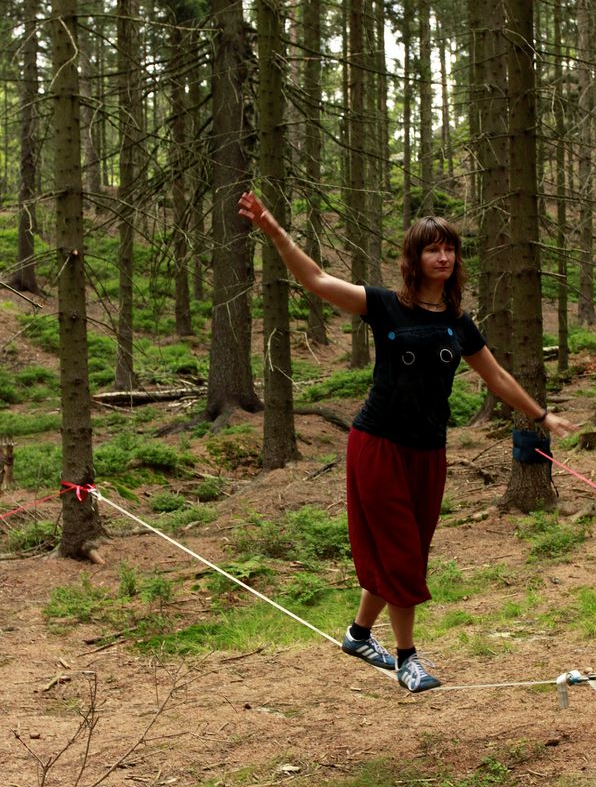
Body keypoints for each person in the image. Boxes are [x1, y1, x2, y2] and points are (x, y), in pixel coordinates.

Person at [238, 191, 575, 692]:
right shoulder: (385, 306)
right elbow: (316, 280)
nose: (443, 257)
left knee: (410, 551)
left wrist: (540, 415)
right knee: (398, 549)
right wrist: (275, 231)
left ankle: (358, 634)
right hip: (377, 445)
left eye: (450, 249)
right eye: (432, 249)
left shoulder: (457, 323)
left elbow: (497, 376)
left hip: (429, 451)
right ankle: (407, 658)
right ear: (414, 259)